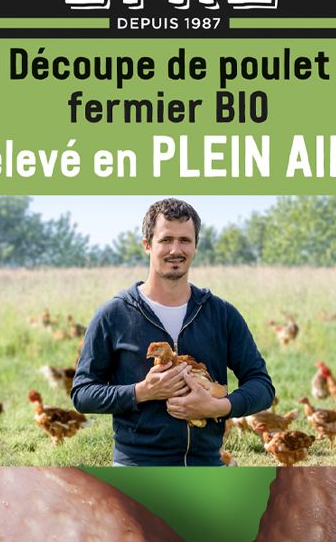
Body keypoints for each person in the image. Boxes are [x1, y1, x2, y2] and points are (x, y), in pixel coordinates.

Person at [71, 198, 274, 466]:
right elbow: (82, 394)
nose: (176, 250)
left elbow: (262, 385)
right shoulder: (113, 315)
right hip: (137, 466)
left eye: (185, 240)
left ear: (195, 246)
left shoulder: (221, 314)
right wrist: (141, 391)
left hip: (207, 464)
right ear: (147, 245)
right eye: (166, 240)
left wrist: (218, 407)